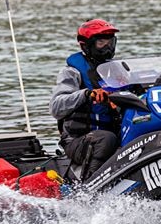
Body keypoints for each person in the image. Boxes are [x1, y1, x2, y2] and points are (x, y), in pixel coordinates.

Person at [49, 19, 121, 181]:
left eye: (111, 41)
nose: (108, 46)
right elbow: (56, 107)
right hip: (79, 140)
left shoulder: (119, 70)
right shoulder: (72, 72)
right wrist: (87, 94)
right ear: (86, 45)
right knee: (105, 139)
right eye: (101, 42)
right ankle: (89, 186)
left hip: (115, 133)